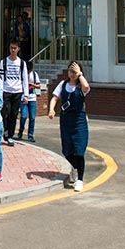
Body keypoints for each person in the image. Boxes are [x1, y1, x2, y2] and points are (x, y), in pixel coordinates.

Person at [48, 61, 91, 193]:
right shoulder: (63, 84)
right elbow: (55, 98)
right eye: (70, 71)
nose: (72, 74)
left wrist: (80, 74)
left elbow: (86, 86)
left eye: (75, 72)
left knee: (79, 151)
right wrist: (51, 109)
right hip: (66, 121)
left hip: (79, 122)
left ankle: (79, 179)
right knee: (67, 151)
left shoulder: (81, 86)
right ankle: (75, 168)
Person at [0, 40, 29, 147]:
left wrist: (26, 95)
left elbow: (25, 79)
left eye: (15, 48)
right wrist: (0, 92)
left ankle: (10, 136)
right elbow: (1, 78)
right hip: (6, 91)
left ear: (18, 49)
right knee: (5, 112)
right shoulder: (4, 62)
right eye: (11, 48)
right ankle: (5, 130)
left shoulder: (22, 63)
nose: (13, 50)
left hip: (17, 91)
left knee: (14, 114)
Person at [17, 60, 40, 142]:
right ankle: (20, 131)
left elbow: (39, 85)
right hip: (23, 97)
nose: (28, 72)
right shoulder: (21, 74)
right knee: (23, 116)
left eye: (29, 70)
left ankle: (30, 135)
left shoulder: (34, 74)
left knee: (32, 117)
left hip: (32, 97)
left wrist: (33, 85)